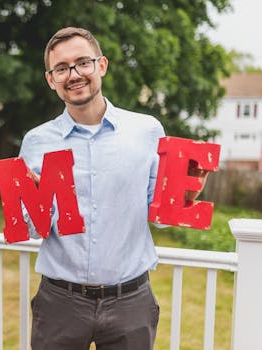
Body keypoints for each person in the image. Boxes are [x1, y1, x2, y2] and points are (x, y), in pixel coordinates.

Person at [19, 27, 207, 350]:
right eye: (61, 68)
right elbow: (29, 228)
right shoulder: (36, 142)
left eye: (83, 63)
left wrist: (189, 193)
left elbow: (160, 215)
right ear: (51, 79)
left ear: (101, 65)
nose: (74, 74)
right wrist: (36, 201)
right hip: (60, 303)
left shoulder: (147, 131)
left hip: (130, 302)